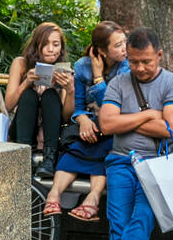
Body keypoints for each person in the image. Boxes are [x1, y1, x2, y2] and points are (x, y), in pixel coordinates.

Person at [79, 27, 173, 240]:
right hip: (119, 163)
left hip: (157, 165)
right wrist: (148, 116)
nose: (140, 68)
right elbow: (106, 123)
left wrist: (125, 122)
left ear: (160, 56)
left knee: (142, 220)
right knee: (118, 224)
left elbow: (171, 129)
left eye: (147, 62)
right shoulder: (118, 82)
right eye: (135, 61)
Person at [42, 21, 128, 220]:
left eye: (124, 42)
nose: (124, 48)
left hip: (112, 127)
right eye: (118, 45)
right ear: (102, 51)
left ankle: (93, 197)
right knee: (76, 148)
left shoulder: (126, 68)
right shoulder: (82, 66)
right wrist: (82, 120)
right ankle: (54, 194)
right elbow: (78, 106)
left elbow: (112, 108)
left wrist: (98, 77)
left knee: (103, 149)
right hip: (88, 126)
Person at [5, 22, 75, 175]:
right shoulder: (21, 64)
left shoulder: (63, 70)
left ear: (61, 48)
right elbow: (8, 106)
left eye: (56, 44)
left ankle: (50, 158)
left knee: (50, 95)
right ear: (36, 46)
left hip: (51, 133)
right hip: (23, 131)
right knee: (29, 95)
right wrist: (26, 83)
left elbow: (66, 116)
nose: (51, 49)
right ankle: (24, 156)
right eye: (45, 44)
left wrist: (69, 90)